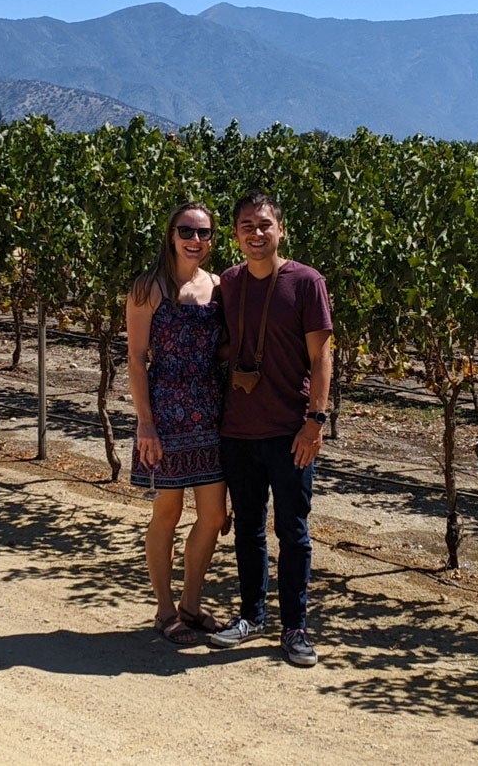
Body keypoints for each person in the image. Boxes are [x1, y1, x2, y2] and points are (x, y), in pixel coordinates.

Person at [207, 193, 333, 668]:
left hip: (289, 432)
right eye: (246, 226)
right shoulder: (231, 283)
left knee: (293, 531)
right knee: (248, 530)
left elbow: (322, 355)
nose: (255, 234)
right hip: (238, 429)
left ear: (280, 228)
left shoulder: (306, 283)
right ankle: (250, 615)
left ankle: (295, 627)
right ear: (236, 235)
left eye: (264, 225)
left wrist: (314, 422)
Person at [127, 202, 230, 645]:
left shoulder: (220, 287)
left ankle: (191, 604)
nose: (195, 240)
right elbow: (135, 357)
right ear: (170, 234)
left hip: (210, 412)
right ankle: (164, 610)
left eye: (204, 233)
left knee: (212, 516)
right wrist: (145, 423)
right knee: (166, 513)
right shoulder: (148, 289)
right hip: (166, 415)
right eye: (186, 230)